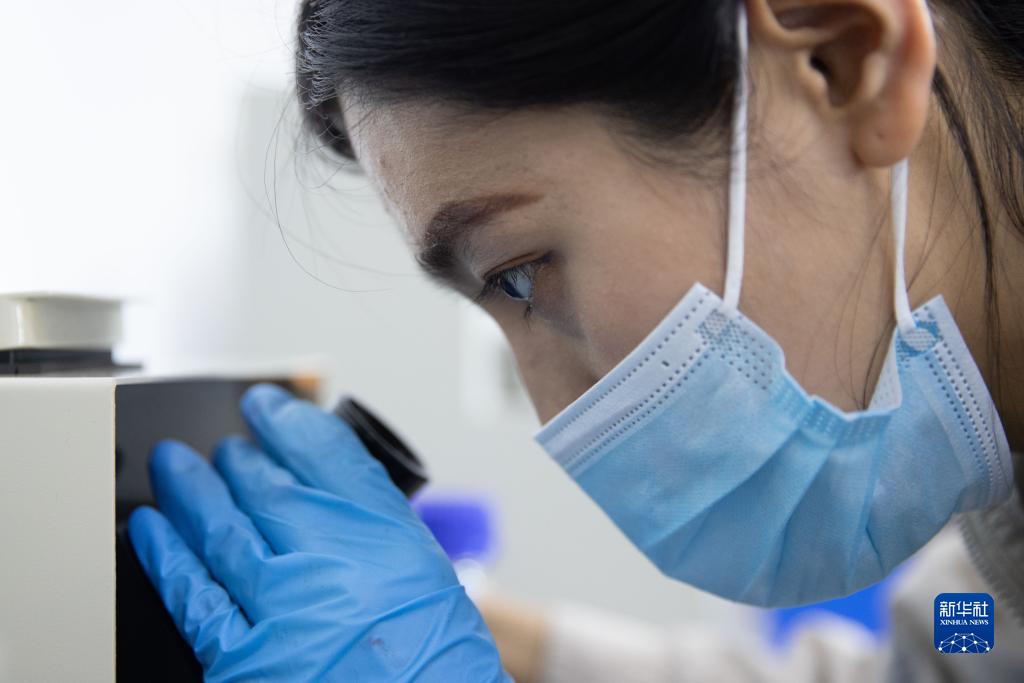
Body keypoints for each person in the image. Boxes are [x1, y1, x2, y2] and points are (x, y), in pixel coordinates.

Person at [128, 0, 1024, 680]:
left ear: (843, 61)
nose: (555, 415)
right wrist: (471, 635)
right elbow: (937, 664)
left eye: (519, 274)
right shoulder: (980, 592)